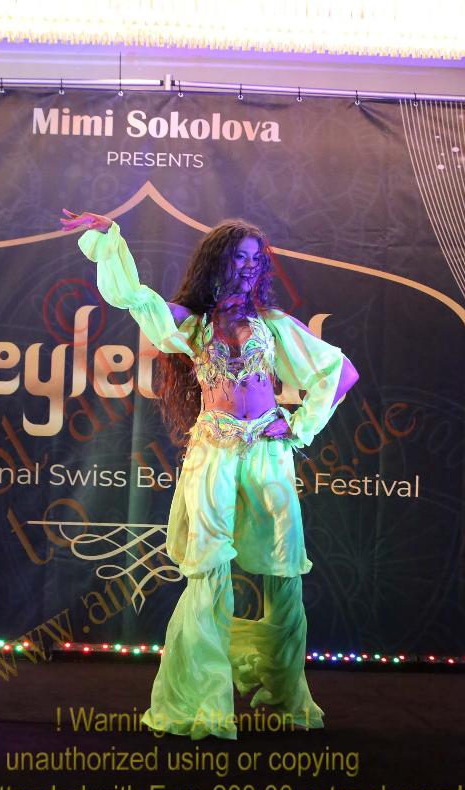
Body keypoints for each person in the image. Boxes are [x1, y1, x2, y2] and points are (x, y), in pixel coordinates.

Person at [60, 208, 359, 740]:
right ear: (217, 262)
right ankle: (203, 702)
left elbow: (339, 371)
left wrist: (297, 426)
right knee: (210, 567)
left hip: (266, 452)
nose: (248, 266)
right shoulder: (191, 322)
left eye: (256, 259)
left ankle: (284, 691)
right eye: (239, 257)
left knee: (282, 569)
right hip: (213, 451)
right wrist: (109, 239)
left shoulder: (272, 324)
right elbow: (135, 300)